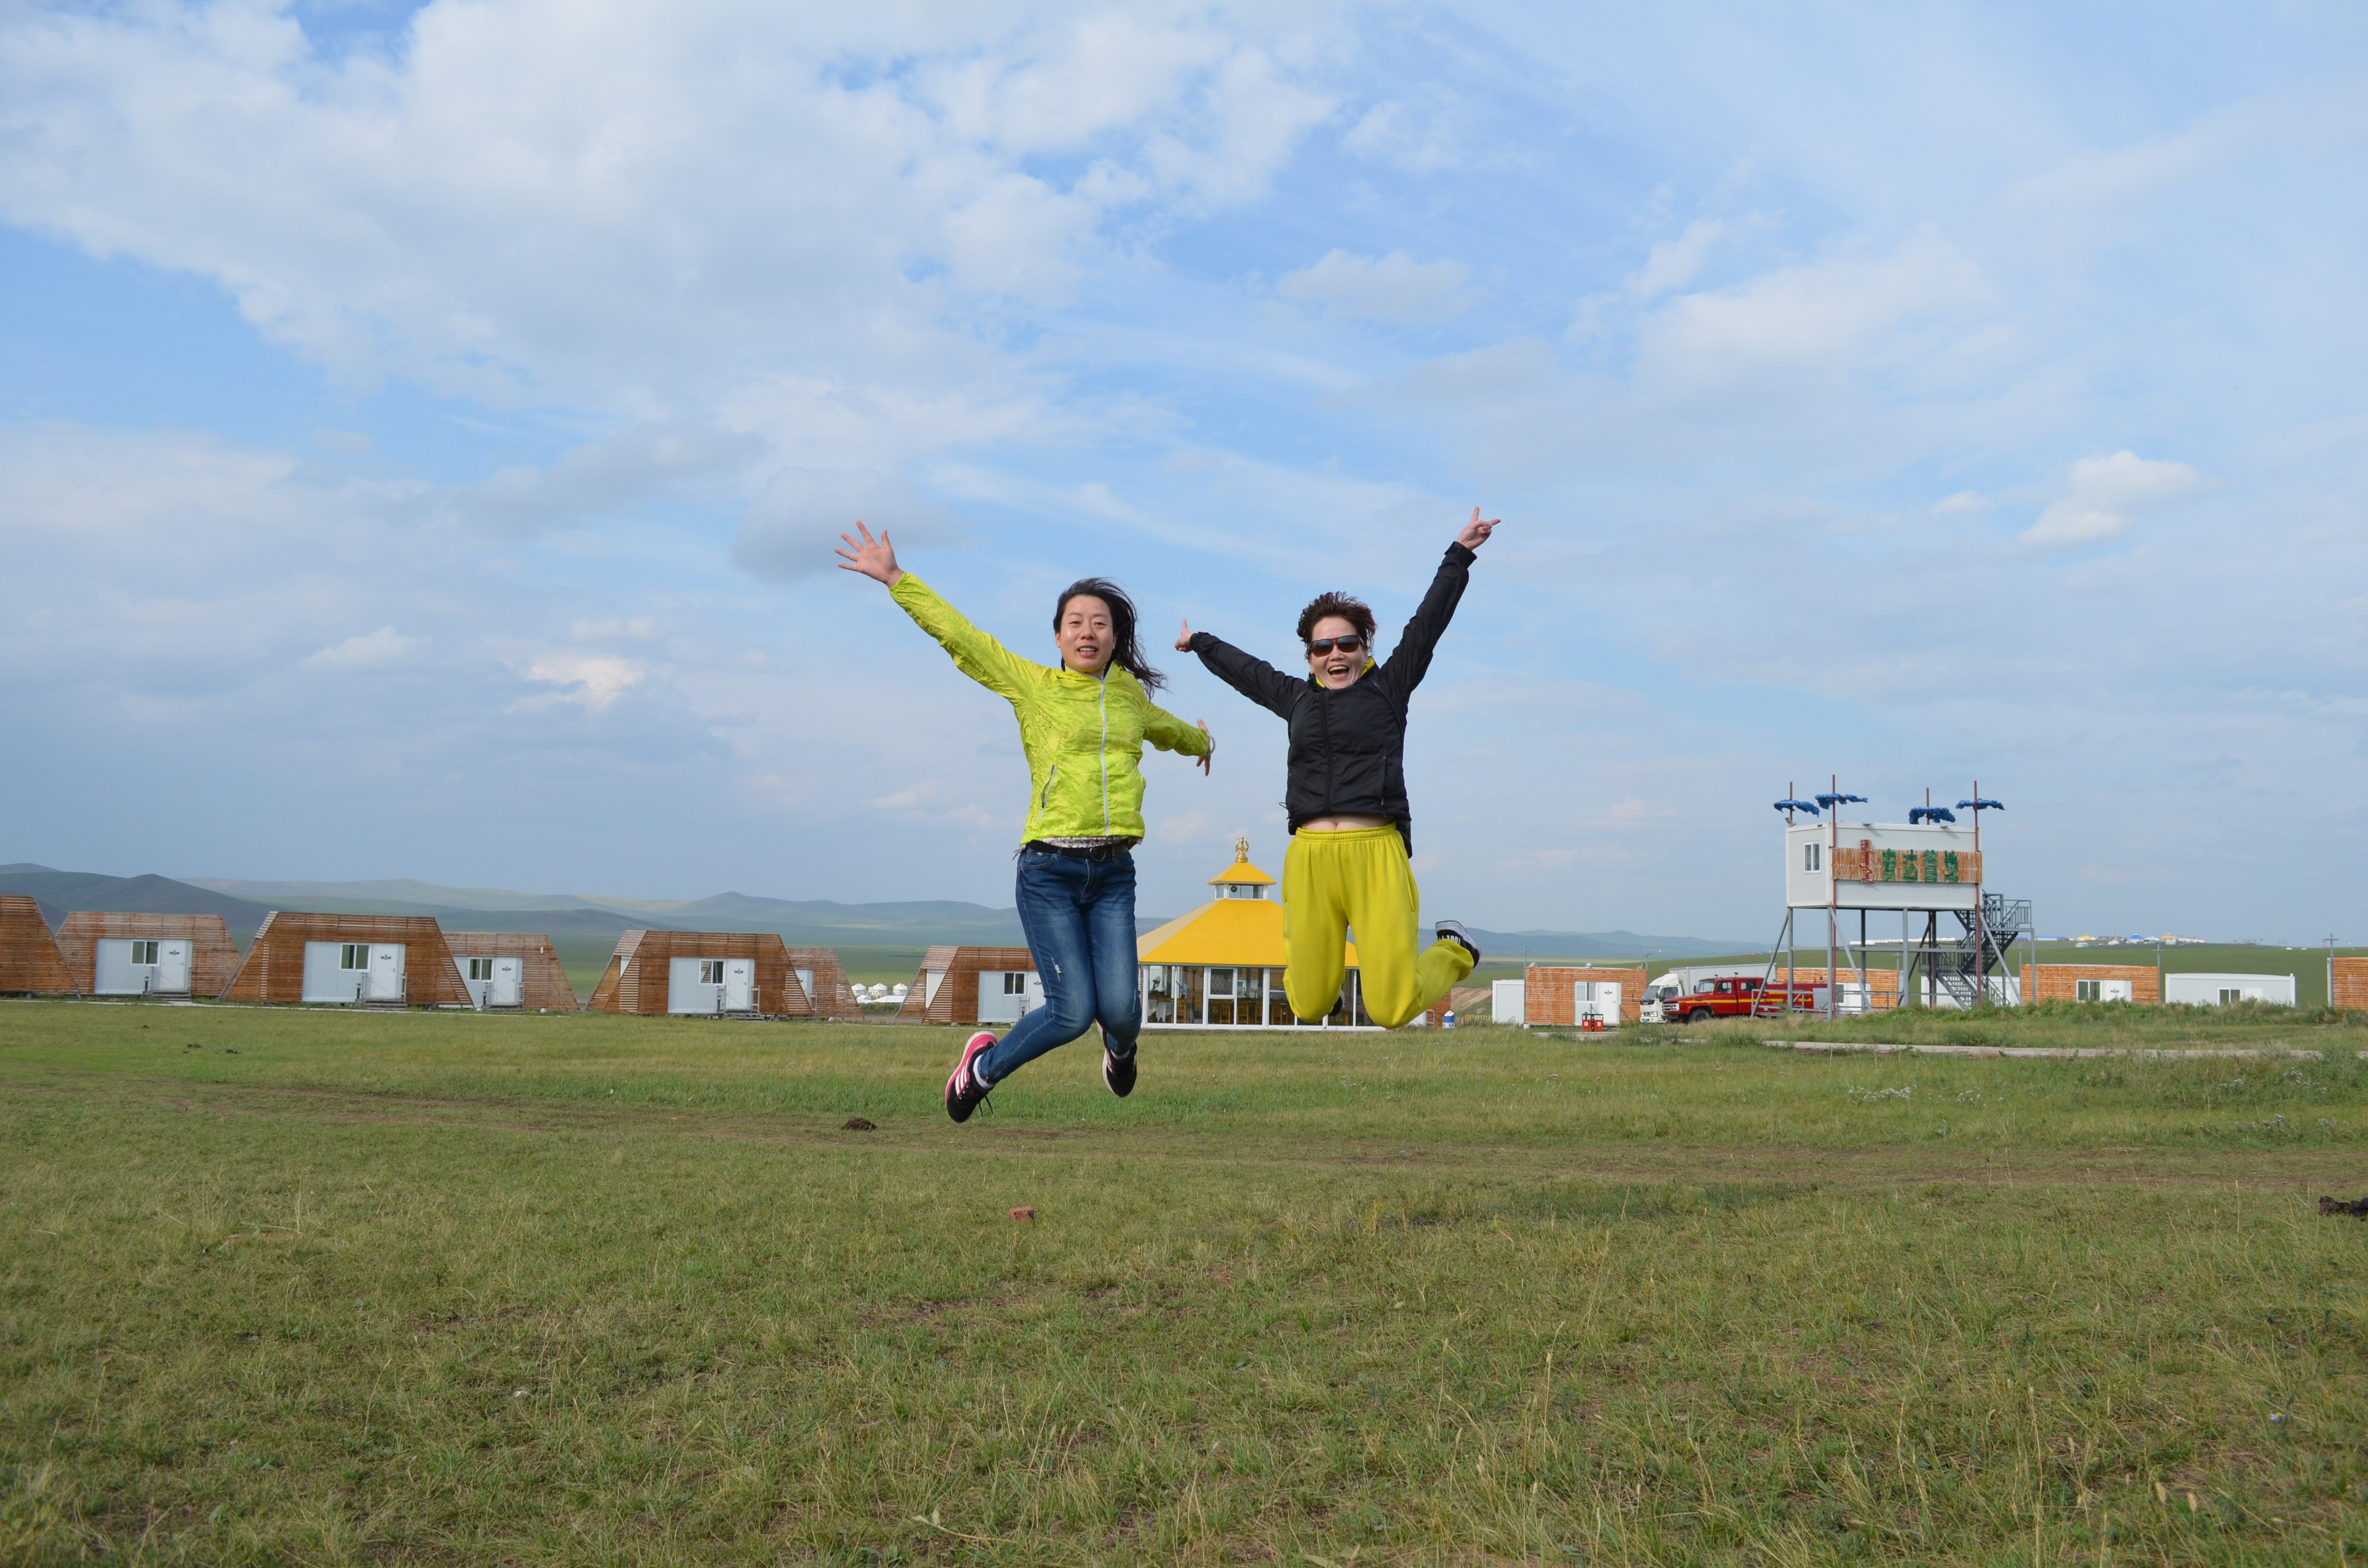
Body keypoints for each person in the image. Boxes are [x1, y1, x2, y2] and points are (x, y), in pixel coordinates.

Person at [836, 522, 1213, 1122]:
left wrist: (1202, 741)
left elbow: (1169, 730)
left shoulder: (1129, 699)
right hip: (1050, 871)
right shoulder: (1033, 687)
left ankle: (1119, 1050)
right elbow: (965, 639)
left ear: (1115, 638)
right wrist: (896, 579)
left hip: (1113, 873)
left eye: (1099, 624)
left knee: (1122, 1014)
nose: (1087, 632)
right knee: (1071, 1012)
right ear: (1058, 637)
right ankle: (980, 1070)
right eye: (1075, 623)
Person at [1175, 508, 1497, 1029]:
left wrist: (1459, 555)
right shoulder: (1295, 699)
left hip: (1376, 853)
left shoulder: (1389, 687)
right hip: (1310, 858)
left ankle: (1455, 950)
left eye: (1347, 643)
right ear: (1310, 657)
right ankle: (1325, 995)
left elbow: (1427, 625)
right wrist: (1199, 643)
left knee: (1391, 1009)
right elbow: (1245, 670)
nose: (1335, 654)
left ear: (1364, 649)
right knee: (1306, 1005)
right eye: (1322, 647)